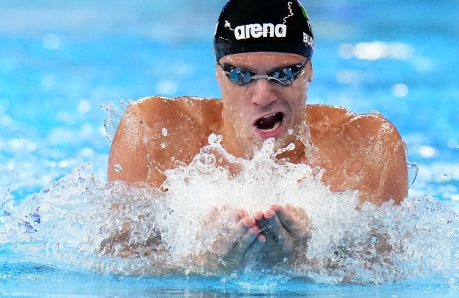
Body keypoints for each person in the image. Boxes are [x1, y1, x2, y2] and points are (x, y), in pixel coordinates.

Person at [107, 0, 408, 271]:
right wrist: (202, 264)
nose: (263, 96)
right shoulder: (154, 133)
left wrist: (308, 264)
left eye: (285, 74)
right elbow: (113, 265)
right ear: (217, 72)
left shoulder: (367, 147)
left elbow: (389, 278)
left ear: (309, 72)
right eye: (241, 75)